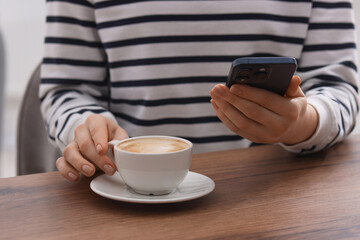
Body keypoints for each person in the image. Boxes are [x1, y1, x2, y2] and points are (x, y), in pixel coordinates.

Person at [40, 0, 359, 182]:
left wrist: (303, 125)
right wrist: (84, 126)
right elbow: (67, 89)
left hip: (272, 196)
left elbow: (338, 89)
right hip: (124, 193)